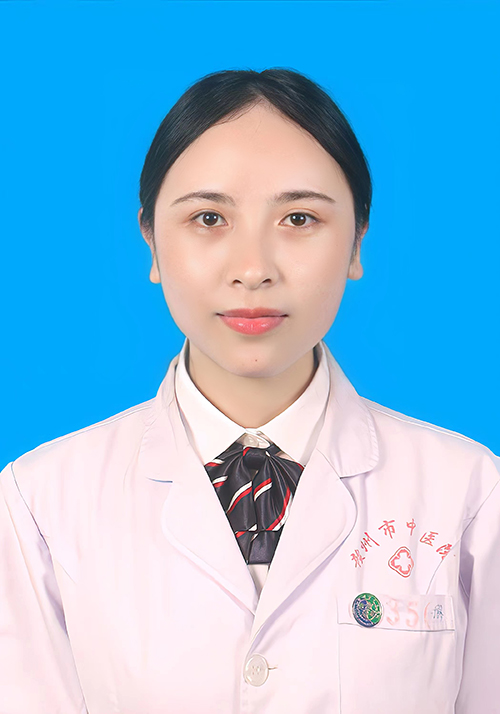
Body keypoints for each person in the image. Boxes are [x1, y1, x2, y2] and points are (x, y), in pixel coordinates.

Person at [0, 68, 498, 714]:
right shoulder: (39, 502)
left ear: (357, 240)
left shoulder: (470, 492)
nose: (254, 269)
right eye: (209, 218)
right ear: (151, 240)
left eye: (299, 218)